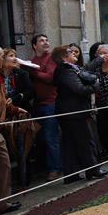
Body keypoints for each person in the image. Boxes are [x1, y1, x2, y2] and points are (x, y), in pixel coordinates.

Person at [52, 45, 108, 185]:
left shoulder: (70, 69)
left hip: (69, 111)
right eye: (70, 52)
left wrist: (99, 60)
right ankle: (93, 169)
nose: (74, 54)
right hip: (74, 111)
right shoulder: (66, 71)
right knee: (85, 140)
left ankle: (71, 174)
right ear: (64, 57)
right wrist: (95, 86)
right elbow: (79, 89)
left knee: (70, 143)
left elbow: (85, 70)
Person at [0, 43, 24, 215]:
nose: (4, 59)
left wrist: (15, 109)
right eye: (2, 56)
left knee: (3, 165)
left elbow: (1, 101)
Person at [27, 34, 62, 181]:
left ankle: (55, 168)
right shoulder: (33, 61)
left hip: (50, 103)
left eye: (47, 40)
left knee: (50, 137)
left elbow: (50, 77)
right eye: (42, 40)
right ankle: (44, 167)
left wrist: (33, 71)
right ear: (34, 45)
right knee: (40, 138)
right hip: (37, 104)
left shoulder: (51, 58)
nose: (46, 42)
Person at [0, 48, 34, 188]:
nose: (14, 58)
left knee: (23, 148)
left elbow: (30, 91)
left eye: (15, 56)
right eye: (11, 56)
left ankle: (24, 181)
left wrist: (15, 98)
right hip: (3, 118)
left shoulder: (21, 74)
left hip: (20, 116)